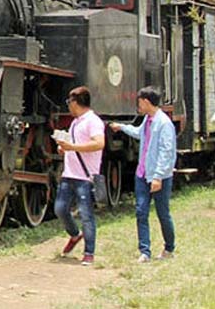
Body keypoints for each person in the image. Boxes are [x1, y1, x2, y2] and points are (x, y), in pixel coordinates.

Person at [109, 86, 176, 263]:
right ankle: (145, 251)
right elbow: (139, 133)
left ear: (146, 102)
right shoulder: (147, 119)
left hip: (158, 176)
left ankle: (169, 248)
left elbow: (166, 151)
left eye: (139, 102)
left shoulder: (164, 124)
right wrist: (121, 127)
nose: (137, 105)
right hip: (142, 173)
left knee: (163, 213)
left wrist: (158, 176)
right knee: (141, 211)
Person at [54, 86, 105, 266]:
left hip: (85, 176)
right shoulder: (75, 122)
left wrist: (73, 148)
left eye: (69, 102)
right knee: (60, 209)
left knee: (86, 214)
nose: (68, 105)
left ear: (75, 102)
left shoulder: (93, 121)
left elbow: (99, 143)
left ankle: (89, 252)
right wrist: (64, 148)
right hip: (69, 174)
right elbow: (74, 144)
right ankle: (75, 235)